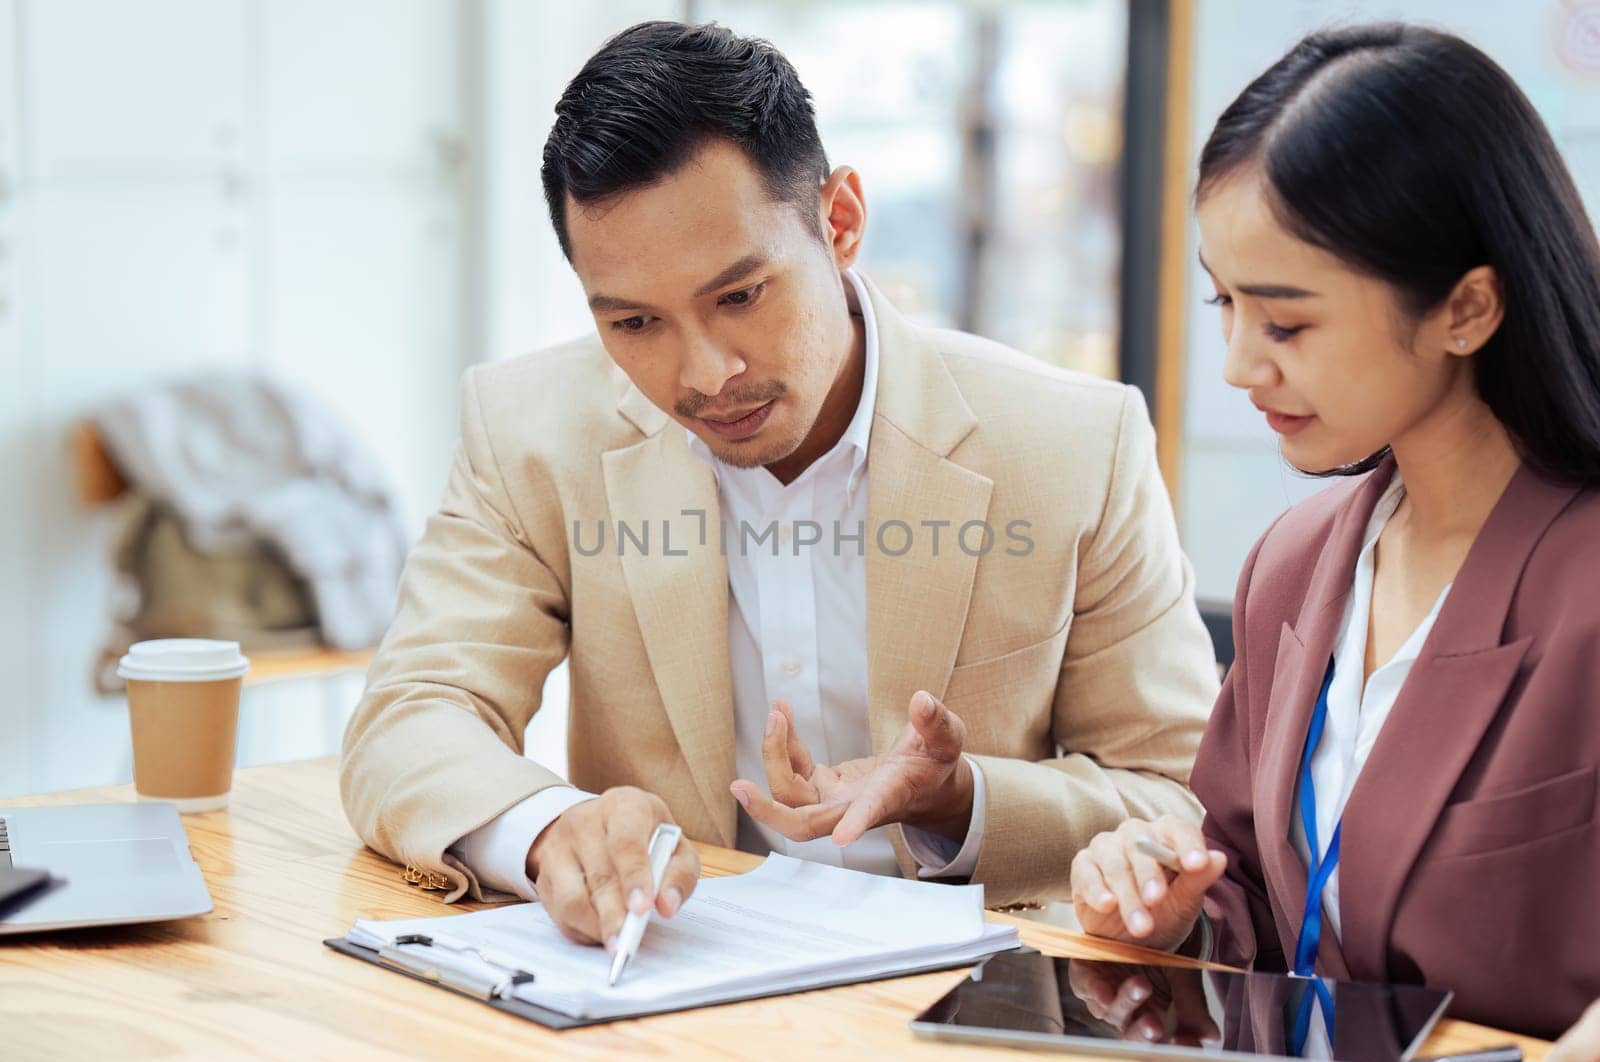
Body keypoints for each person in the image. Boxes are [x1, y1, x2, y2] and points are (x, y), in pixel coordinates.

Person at [340, 20, 1220, 958]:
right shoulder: (530, 429)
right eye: (636, 321)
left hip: (975, 999)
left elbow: (1179, 791)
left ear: (839, 222)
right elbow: (411, 713)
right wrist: (552, 828)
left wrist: (964, 800)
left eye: (741, 296)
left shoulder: (1074, 442)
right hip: (670, 991)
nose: (706, 372)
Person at [1068, 22, 1600, 1051]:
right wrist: (1165, 897)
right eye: (1224, 304)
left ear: (1468, 306)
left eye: (1285, 322)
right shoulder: (1296, 563)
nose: (1235, 363)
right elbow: (1258, 898)